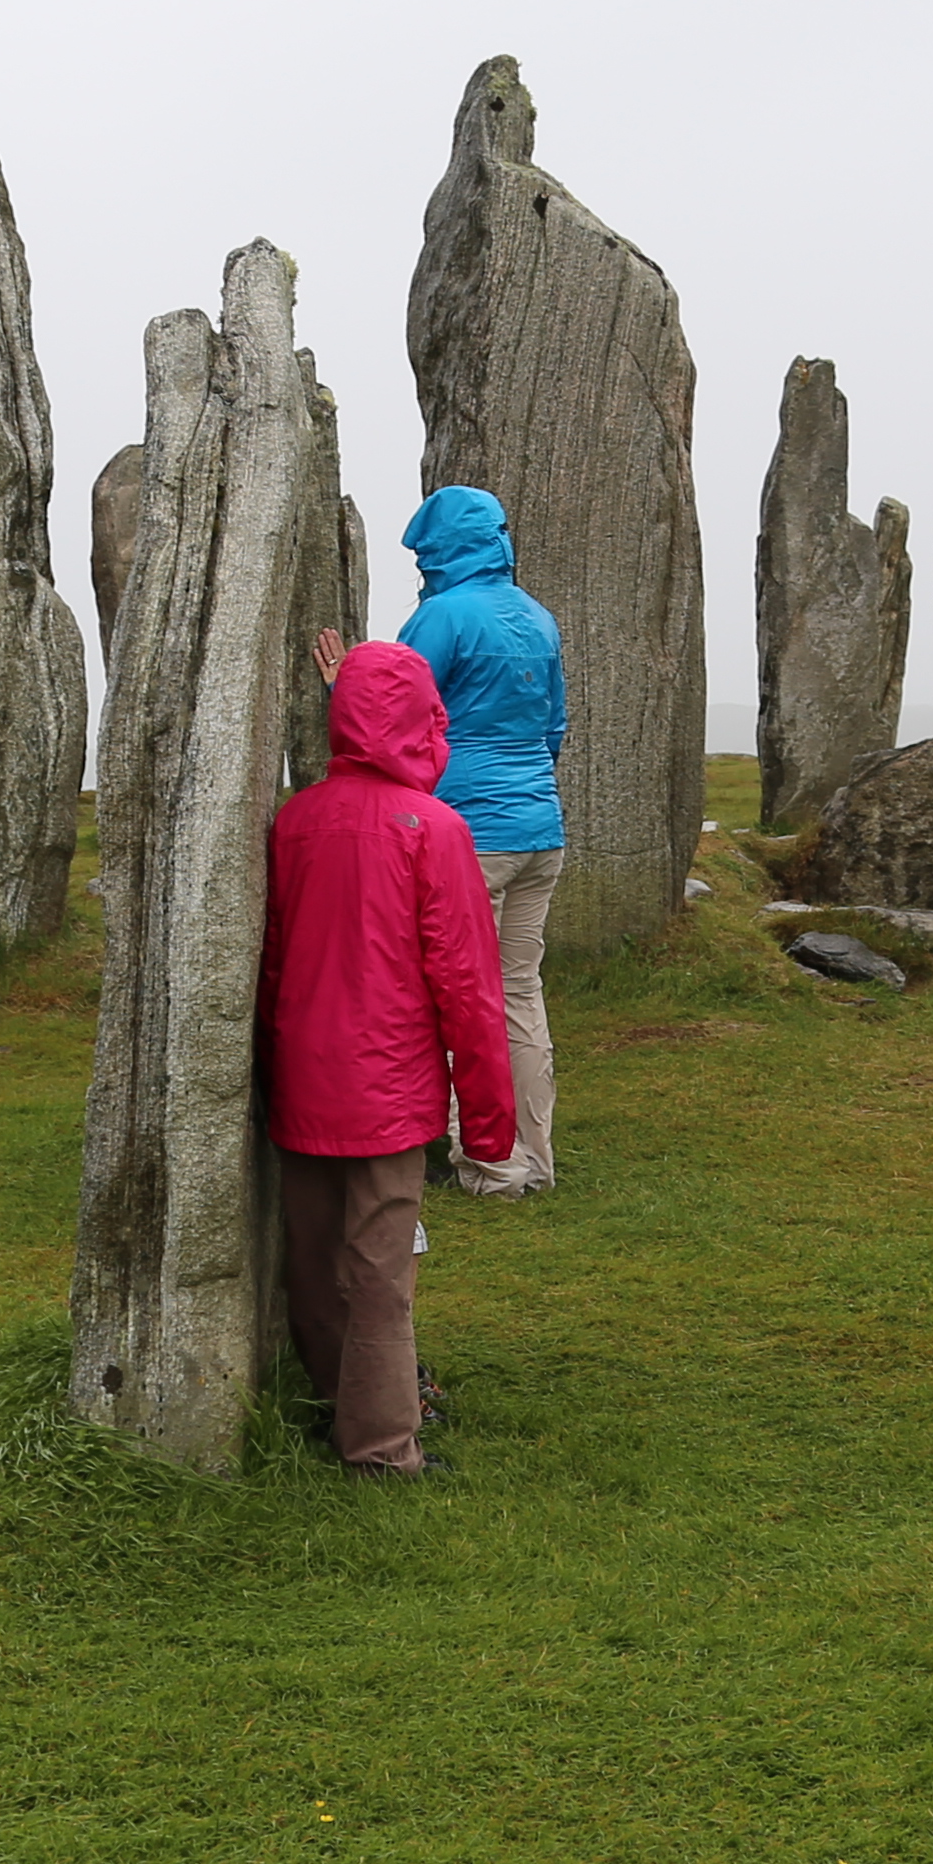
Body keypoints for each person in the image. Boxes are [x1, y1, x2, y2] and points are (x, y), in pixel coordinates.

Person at [262, 640, 519, 1476]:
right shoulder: (433, 830)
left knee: (310, 1255)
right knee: (380, 1270)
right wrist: (486, 1123)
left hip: (302, 1074)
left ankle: (330, 1401)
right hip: (387, 1085)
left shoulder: (294, 822)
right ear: (425, 723)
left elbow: (267, 961)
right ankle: (380, 1449)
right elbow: (469, 986)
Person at [389, 483, 568, 1193]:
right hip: (538, 828)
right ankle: (534, 1159)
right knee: (519, 991)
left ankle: (491, 1164)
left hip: (467, 835)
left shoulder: (442, 617)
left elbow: (394, 717)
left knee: (468, 998)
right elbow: (553, 730)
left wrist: (344, 686)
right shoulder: (537, 617)